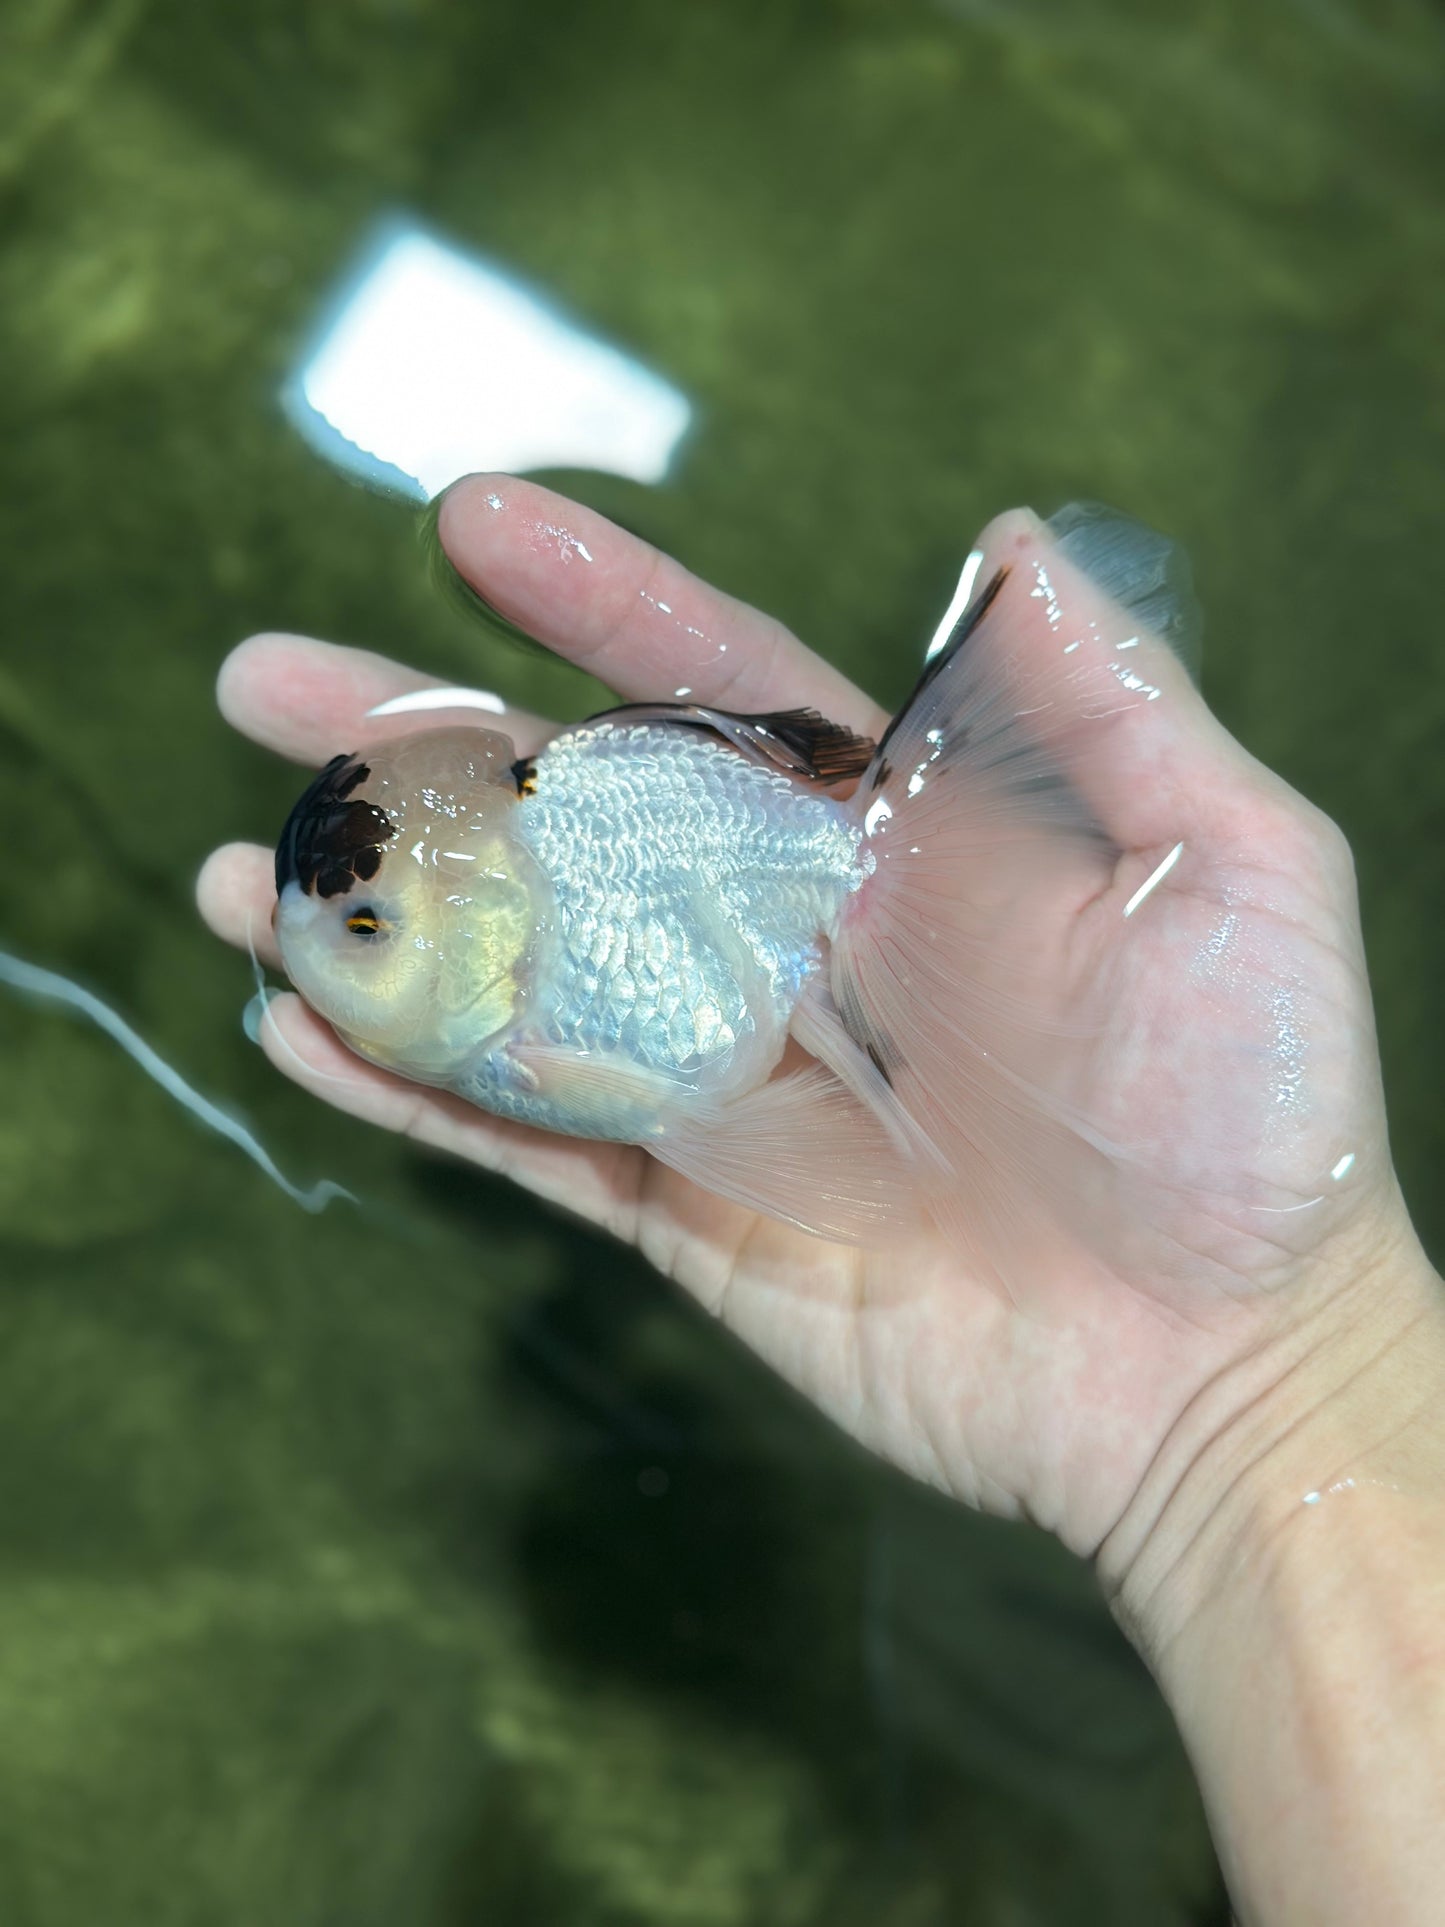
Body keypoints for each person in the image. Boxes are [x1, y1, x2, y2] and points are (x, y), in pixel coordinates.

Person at [198, 475, 1445, 1926]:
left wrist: (1256, 1389)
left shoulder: (535, 970)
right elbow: (685, 1112)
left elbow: (663, 1104)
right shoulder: (500, 945)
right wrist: (1257, 1405)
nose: (330, 958)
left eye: (362, 927)